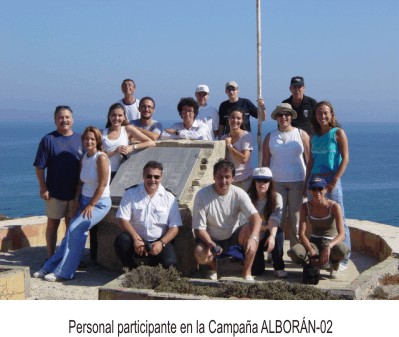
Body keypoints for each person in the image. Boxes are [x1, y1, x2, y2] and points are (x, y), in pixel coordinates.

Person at [33, 126, 112, 281]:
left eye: (92, 139)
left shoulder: (101, 157)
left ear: (97, 140)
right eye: (86, 138)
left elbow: (102, 185)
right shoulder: (85, 158)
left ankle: (64, 272)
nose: (89, 141)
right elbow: (80, 183)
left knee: (75, 229)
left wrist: (91, 205)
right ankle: (48, 267)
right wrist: (77, 200)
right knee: (71, 232)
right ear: (82, 141)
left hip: (99, 203)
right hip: (83, 200)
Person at [192, 160, 262, 281]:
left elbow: (256, 218)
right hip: (210, 238)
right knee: (199, 252)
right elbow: (199, 229)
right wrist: (211, 244)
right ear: (214, 177)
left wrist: (253, 237)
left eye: (227, 177)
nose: (223, 181)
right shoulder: (202, 195)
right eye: (220, 177)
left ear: (233, 178)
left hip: (233, 236)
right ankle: (212, 267)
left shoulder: (239, 193)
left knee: (252, 231)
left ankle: (247, 272)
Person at [305, 100, 351, 270]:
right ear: (315, 116)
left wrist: (335, 180)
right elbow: (310, 162)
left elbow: (345, 158)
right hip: (315, 182)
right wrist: (306, 183)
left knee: (341, 218)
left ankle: (343, 258)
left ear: (331, 114)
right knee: (315, 216)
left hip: (331, 182)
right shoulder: (313, 137)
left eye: (325, 112)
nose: (322, 116)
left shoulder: (337, 133)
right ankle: (320, 256)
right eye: (319, 113)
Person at [33, 105, 82, 259]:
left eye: (67, 117)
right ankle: (50, 256)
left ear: (72, 119)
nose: (64, 120)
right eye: (61, 117)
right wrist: (43, 187)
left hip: (75, 193)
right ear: (55, 120)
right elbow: (39, 167)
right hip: (54, 192)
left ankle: (68, 258)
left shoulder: (80, 139)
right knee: (52, 225)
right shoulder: (48, 140)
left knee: (71, 227)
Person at [114, 161, 182, 269]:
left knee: (170, 263)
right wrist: (136, 238)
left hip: (159, 241)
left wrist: (161, 243)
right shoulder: (131, 193)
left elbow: (174, 227)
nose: (152, 180)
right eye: (149, 176)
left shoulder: (169, 197)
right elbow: (122, 219)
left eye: (156, 177)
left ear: (161, 177)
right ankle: (131, 271)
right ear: (143, 176)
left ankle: (153, 266)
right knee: (122, 241)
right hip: (136, 240)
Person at [262, 103, 310, 247]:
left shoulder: (301, 134)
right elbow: (265, 161)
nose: (284, 117)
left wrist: (308, 183)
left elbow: (309, 159)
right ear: (276, 117)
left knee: (296, 219)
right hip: (276, 182)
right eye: (280, 114)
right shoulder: (270, 136)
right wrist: (265, 184)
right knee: (277, 218)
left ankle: (297, 252)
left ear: (291, 117)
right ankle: (275, 252)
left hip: (298, 181)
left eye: (287, 114)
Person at [288, 176, 350, 279]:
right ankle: (311, 265)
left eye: (320, 189)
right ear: (310, 190)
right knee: (294, 252)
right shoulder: (305, 207)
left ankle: (334, 265)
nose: (317, 192)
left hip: (330, 242)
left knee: (342, 249)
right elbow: (302, 234)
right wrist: (311, 251)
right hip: (314, 242)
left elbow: (342, 234)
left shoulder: (334, 207)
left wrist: (328, 246)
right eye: (314, 189)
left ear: (325, 189)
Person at [246, 167, 287, 278]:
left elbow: (275, 219)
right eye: (258, 180)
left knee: (278, 233)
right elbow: (246, 222)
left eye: (265, 180)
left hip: (268, 232)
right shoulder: (248, 198)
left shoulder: (277, 197)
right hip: (254, 235)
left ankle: (278, 266)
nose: (262, 183)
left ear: (270, 183)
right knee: (256, 271)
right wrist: (261, 229)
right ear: (254, 182)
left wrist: (272, 236)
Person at [103, 102, 155, 180]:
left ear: (124, 117)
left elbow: (151, 142)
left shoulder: (127, 129)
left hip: (121, 172)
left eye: (120, 115)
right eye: (113, 115)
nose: (116, 118)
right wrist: (115, 151)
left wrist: (132, 147)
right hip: (104, 171)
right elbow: (99, 155)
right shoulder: (102, 133)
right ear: (109, 117)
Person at [222, 107, 253, 191]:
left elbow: (244, 159)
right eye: (232, 117)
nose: (235, 120)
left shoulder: (246, 136)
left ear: (242, 120)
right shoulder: (223, 138)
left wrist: (230, 146)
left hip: (244, 181)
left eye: (238, 118)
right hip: (229, 181)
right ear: (228, 119)